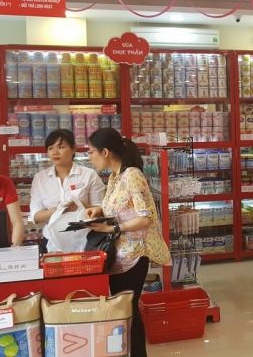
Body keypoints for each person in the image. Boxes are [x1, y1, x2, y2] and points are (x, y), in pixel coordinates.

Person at [85, 128, 171, 357]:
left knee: (128, 310)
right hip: (120, 254)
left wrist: (113, 228)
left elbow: (145, 217)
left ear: (105, 152)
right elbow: (120, 206)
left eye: (91, 152)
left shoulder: (132, 175)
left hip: (134, 255)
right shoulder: (115, 177)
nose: (89, 157)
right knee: (124, 311)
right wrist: (99, 210)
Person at [29, 129, 105, 252]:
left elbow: (102, 211)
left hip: (86, 241)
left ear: (73, 149)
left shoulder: (89, 175)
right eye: (50, 148)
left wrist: (83, 205)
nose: (55, 152)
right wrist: (60, 209)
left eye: (61, 147)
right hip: (52, 243)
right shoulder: (40, 179)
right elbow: (36, 217)